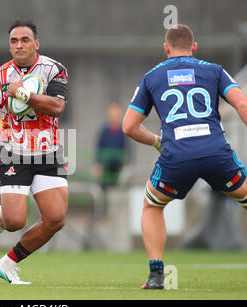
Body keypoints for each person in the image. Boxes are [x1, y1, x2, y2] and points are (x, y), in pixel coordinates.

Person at [122, 24, 247, 289]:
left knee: (152, 206)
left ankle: (156, 276)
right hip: (215, 151)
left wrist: (157, 142)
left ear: (166, 48)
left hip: (177, 155)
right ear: (194, 47)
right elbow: (242, 104)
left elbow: (129, 127)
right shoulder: (214, 70)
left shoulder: (152, 76)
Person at [0, 19, 69, 285]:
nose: (19, 45)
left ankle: (8, 263)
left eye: (25, 40)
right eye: (14, 41)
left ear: (36, 43)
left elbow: (57, 107)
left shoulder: (54, 70)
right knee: (14, 221)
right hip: (14, 153)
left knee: (56, 219)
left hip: (48, 153)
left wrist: (23, 94)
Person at [93, 102, 128, 189]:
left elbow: (127, 151)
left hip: (118, 167)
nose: (114, 117)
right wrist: (97, 163)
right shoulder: (104, 131)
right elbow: (98, 148)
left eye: (117, 115)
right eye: (112, 115)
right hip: (105, 167)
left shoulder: (123, 132)